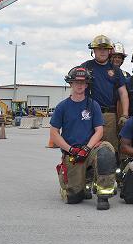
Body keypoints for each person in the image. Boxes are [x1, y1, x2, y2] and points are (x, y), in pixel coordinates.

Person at [50, 66, 117, 210]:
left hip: (90, 149)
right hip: (72, 152)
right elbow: (54, 134)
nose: (79, 85)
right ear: (71, 84)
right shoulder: (62, 107)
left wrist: (87, 148)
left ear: (87, 85)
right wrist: (71, 149)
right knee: (74, 198)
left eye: (83, 82)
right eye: (76, 82)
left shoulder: (93, 105)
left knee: (106, 151)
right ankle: (76, 183)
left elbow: (99, 131)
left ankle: (103, 195)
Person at [82, 35, 129, 153]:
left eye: (105, 49)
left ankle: (111, 171)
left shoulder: (116, 70)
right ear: (93, 50)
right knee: (87, 146)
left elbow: (123, 93)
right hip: (88, 114)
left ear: (109, 51)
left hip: (109, 116)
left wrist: (125, 115)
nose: (102, 51)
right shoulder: (85, 67)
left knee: (110, 149)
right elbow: (76, 89)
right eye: (99, 48)